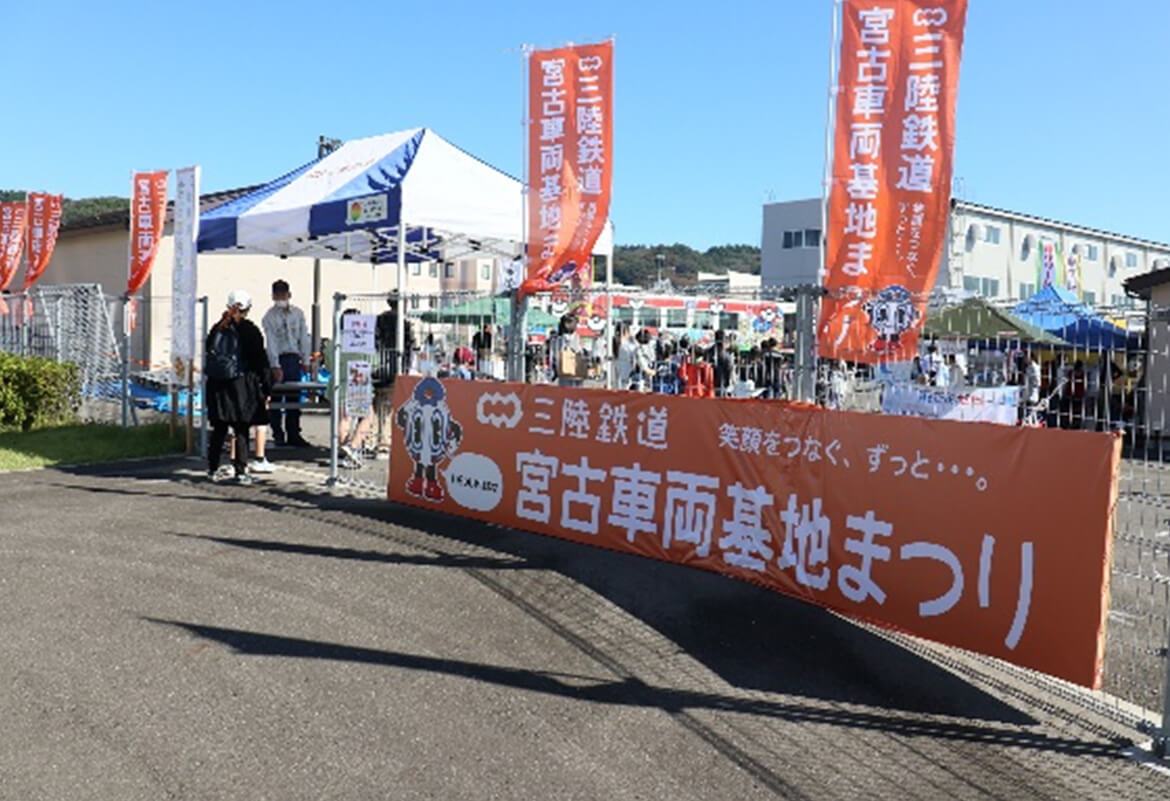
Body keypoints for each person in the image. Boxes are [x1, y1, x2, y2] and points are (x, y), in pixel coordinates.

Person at [204, 290, 270, 483]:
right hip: (241, 385)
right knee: (241, 429)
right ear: (248, 308)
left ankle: (212, 469)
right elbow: (260, 360)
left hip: (217, 385)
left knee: (219, 428)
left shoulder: (217, 328)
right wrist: (266, 387)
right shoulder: (250, 330)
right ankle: (241, 471)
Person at [261, 279, 311, 448]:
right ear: (273, 295)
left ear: (289, 294)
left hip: (293, 358)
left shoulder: (298, 313)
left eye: (283, 293)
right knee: (276, 398)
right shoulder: (269, 316)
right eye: (277, 294)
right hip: (279, 358)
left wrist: (305, 359)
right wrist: (275, 365)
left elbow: (304, 337)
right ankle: (278, 434)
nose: (281, 297)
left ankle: (294, 433)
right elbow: (271, 342)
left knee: (294, 397)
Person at [374, 296, 415, 457]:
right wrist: (406, 368)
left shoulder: (378, 320)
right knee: (390, 407)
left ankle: (374, 439)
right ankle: (385, 442)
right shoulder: (403, 324)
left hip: (377, 367)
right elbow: (409, 347)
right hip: (395, 368)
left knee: (378, 406)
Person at [550, 313, 584, 387]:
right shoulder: (559, 339)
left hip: (576, 372)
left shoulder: (577, 337)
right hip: (565, 372)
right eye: (573, 322)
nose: (575, 325)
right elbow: (554, 356)